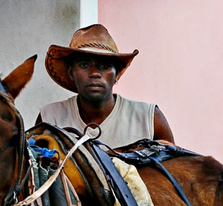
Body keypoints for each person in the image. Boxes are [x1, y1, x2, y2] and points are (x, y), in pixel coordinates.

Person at [37, 24, 175, 147]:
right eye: (84, 65)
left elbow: (174, 170)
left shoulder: (148, 118)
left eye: (105, 66)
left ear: (116, 74)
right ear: (71, 72)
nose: (95, 73)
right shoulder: (49, 118)